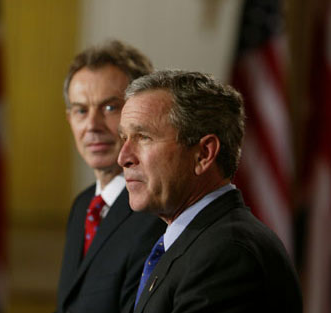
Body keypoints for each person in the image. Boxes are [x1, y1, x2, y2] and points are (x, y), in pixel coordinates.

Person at [118, 70, 303, 313]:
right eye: (124, 138)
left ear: (203, 155)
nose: (123, 157)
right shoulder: (194, 242)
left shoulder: (227, 254)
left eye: (143, 137)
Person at [56, 40, 166, 313]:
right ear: (70, 119)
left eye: (109, 108)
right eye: (81, 110)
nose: (92, 126)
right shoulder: (83, 206)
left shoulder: (157, 211)